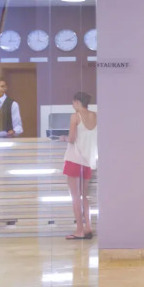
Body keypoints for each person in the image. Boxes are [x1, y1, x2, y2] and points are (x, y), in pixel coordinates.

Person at [61, 92, 98, 240]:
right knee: (84, 196)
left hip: (74, 159)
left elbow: (72, 138)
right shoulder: (95, 116)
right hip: (89, 161)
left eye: (73, 103)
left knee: (75, 197)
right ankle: (88, 228)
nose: (72, 106)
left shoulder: (75, 117)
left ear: (77, 102)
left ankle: (79, 230)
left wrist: (63, 138)